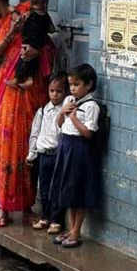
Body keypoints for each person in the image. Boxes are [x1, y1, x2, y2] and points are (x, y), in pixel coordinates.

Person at [0, 0, 56, 228]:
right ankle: (4, 207)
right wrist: (12, 32)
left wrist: (38, 51)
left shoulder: (25, 12)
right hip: (8, 92)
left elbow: (49, 40)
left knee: (28, 150)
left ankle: (26, 206)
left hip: (31, 91)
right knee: (8, 148)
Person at [50, 64, 101, 248]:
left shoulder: (91, 106)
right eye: (71, 84)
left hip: (80, 150)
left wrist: (74, 118)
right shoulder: (69, 100)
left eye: (77, 84)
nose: (72, 88)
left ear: (88, 85)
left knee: (79, 192)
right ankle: (71, 229)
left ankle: (76, 231)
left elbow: (88, 133)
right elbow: (59, 124)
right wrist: (63, 114)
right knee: (69, 192)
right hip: (66, 146)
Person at [26, 72, 68, 234]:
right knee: (43, 187)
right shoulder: (42, 111)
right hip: (43, 155)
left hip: (58, 154)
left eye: (59, 91)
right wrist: (32, 153)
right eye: (52, 91)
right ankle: (45, 217)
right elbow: (35, 134)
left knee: (57, 188)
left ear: (65, 93)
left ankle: (56, 219)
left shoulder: (65, 111)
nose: (55, 95)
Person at [14, 0, 56, 89]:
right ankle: (25, 79)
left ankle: (22, 79)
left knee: (24, 60)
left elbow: (21, 25)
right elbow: (52, 29)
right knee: (29, 61)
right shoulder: (44, 16)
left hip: (30, 43)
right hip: (35, 44)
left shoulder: (30, 14)